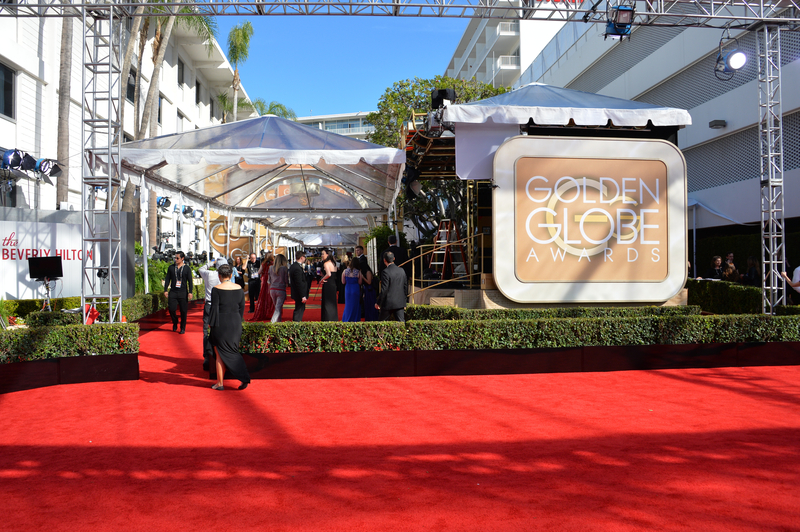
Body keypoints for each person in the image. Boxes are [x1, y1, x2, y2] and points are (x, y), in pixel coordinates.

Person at [209, 264, 249, 391]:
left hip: (221, 323)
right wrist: (237, 320)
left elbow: (214, 309)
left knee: (219, 353)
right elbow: (242, 308)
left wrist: (211, 326)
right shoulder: (239, 288)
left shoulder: (216, 289)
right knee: (233, 351)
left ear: (219, 276)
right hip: (235, 322)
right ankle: (243, 377)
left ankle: (220, 383)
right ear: (231, 275)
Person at [198, 257, 227, 371]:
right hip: (221, 306)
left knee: (206, 331)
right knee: (222, 330)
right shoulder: (227, 277)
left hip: (209, 305)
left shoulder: (209, 274)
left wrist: (212, 262)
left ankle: (207, 356)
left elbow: (201, 268)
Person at [163, 251, 193, 334]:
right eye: (175, 258)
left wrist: (190, 292)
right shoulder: (171, 267)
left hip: (183, 292)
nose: (175, 259)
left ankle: (182, 327)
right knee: (171, 309)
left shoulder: (187, 268)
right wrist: (165, 290)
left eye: (177, 258)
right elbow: (167, 279)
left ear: (182, 258)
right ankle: (175, 322)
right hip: (173, 291)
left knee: (183, 311)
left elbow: (190, 281)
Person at [375, 250, 408, 322]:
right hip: (400, 302)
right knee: (401, 324)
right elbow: (405, 287)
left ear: (384, 260)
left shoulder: (385, 272)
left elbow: (384, 289)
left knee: (381, 325)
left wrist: (378, 303)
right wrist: (404, 301)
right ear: (394, 259)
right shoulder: (402, 270)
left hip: (388, 303)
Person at [252, 252, 275, 321]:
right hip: (272, 281)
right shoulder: (273, 264)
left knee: (264, 296)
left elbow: (259, 272)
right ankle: (272, 313)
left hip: (265, 281)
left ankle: (264, 312)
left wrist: (263, 273)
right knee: (272, 297)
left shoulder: (263, 264)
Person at [268, 254, 289, 323]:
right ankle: (272, 323)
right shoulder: (284, 268)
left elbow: (269, 280)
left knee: (277, 308)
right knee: (278, 308)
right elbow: (286, 281)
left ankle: (278, 323)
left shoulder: (270, 268)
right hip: (281, 289)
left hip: (272, 289)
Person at [341, 256, 363, 322]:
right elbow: (360, 282)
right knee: (355, 305)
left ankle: (347, 318)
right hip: (355, 289)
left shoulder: (345, 271)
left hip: (348, 289)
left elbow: (343, 282)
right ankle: (355, 319)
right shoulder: (358, 272)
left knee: (348, 305)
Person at [319, 248, 338, 321]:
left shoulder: (326, 263)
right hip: (333, 284)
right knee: (332, 302)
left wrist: (322, 279)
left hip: (327, 284)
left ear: (327, 254)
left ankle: (327, 319)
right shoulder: (333, 263)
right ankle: (333, 318)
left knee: (327, 303)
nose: (322, 256)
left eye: (323, 254)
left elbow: (329, 274)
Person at [289, 251, 309, 322]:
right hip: (299, 293)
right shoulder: (297, 268)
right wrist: (303, 295)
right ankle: (296, 323)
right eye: (304, 257)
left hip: (297, 292)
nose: (305, 259)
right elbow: (299, 283)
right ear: (301, 257)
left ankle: (296, 322)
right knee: (299, 309)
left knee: (299, 308)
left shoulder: (294, 266)